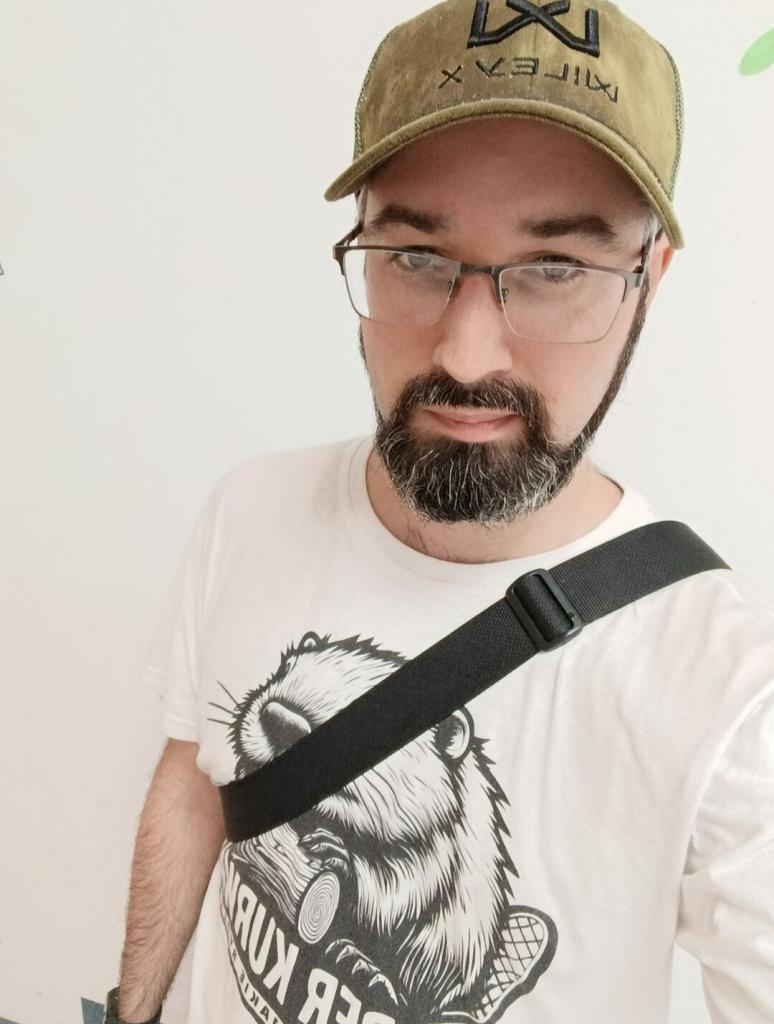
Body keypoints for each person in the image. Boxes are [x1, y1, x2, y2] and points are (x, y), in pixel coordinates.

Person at [105, 1, 774, 1022]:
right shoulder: (249, 510)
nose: (466, 356)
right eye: (416, 256)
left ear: (648, 283)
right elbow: (196, 781)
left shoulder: (729, 689)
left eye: (555, 268)